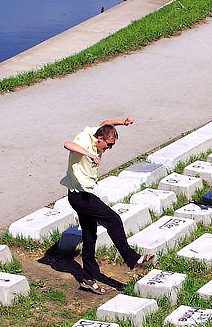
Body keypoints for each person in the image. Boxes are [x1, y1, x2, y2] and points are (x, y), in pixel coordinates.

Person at [62, 117, 155, 294]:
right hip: (78, 196)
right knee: (113, 220)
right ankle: (132, 258)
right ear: (100, 139)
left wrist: (122, 122)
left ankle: (88, 278)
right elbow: (67, 144)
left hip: (84, 193)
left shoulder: (97, 132)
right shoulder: (83, 139)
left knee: (90, 235)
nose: (108, 149)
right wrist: (89, 155)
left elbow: (106, 122)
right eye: (108, 145)